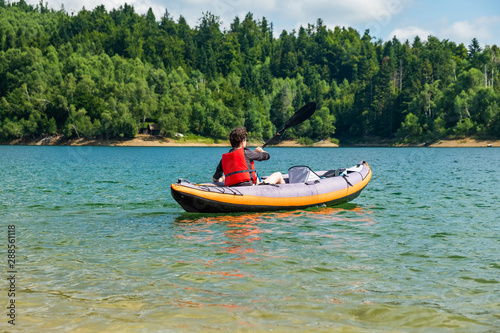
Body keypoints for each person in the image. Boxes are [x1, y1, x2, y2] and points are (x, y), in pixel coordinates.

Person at [213, 127, 285, 186]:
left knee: (257, 177)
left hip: (233, 188)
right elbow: (266, 156)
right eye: (245, 140)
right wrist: (261, 151)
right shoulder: (247, 152)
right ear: (242, 142)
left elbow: (215, 179)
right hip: (249, 188)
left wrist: (222, 179)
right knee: (278, 174)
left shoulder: (224, 159)